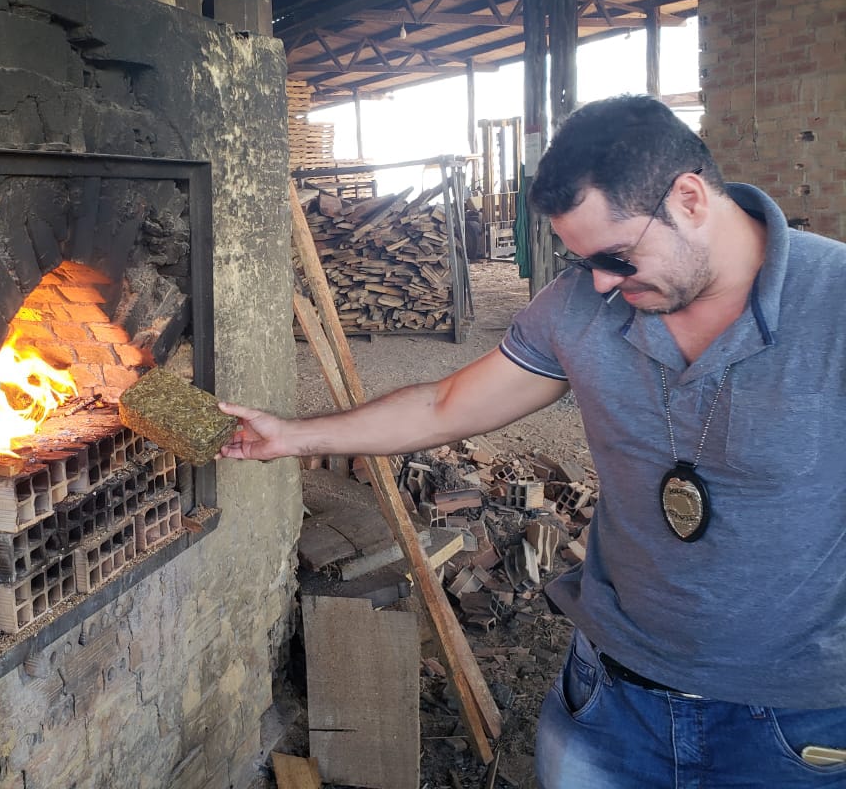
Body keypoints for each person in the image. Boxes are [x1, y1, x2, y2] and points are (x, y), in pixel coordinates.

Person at [219, 95, 846, 788]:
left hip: (799, 721)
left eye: (617, 256)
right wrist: (293, 435)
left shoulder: (834, 303)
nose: (602, 282)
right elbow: (443, 406)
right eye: (583, 262)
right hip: (614, 695)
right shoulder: (581, 305)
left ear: (690, 199)